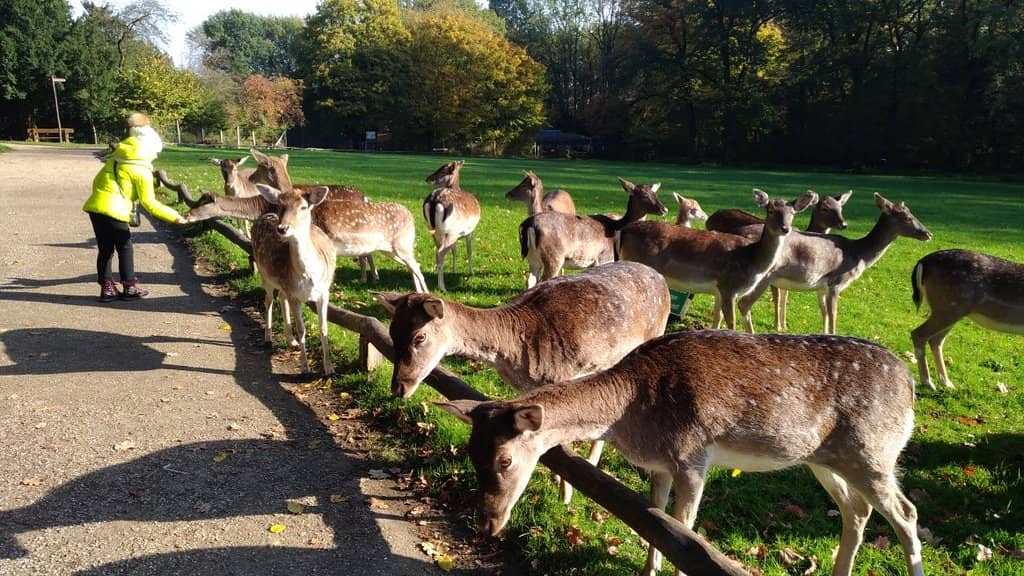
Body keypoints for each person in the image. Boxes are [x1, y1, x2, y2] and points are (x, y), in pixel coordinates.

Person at [82, 112, 186, 302]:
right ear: (148, 150)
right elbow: (150, 204)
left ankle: (107, 289)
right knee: (125, 247)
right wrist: (176, 217)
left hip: (95, 208)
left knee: (105, 249)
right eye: (155, 153)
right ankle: (129, 287)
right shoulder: (142, 171)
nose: (156, 156)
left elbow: (98, 182)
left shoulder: (115, 160)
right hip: (115, 211)